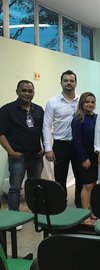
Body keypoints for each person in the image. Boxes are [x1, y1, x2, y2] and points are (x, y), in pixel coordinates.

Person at [0, 80, 44, 213]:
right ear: (17, 92)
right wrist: (11, 152)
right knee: (15, 187)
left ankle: (36, 212)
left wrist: (44, 147)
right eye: (24, 90)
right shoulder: (7, 110)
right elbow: (1, 133)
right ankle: (14, 215)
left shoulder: (38, 110)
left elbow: (43, 130)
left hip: (36, 156)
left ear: (34, 93)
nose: (27, 93)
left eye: (30, 91)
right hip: (18, 157)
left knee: (35, 186)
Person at [43, 70, 82, 207]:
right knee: (60, 178)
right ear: (61, 83)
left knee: (81, 177)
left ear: (76, 83)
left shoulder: (82, 101)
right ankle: (61, 206)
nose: (69, 83)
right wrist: (48, 148)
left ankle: (80, 204)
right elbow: (47, 126)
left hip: (78, 146)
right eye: (66, 80)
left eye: (71, 81)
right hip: (60, 145)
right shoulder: (52, 102)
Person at [71, 92, 98, 223]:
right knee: (87, 185)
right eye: (87, 102)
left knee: (93, 185)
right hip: (85, 156)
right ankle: (85, 213)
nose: (90, 104)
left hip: (95, 155)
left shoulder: (97, 117)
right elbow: (77, 140)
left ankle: (92, 210)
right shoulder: (78, 119)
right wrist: (84, 158)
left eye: (92, 102)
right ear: (82, 103)